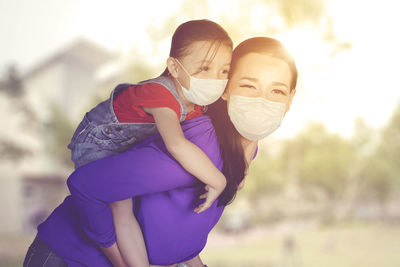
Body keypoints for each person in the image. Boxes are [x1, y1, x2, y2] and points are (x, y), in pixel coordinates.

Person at [23, 36, 297, 267]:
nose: (262, 100)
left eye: (277, 90)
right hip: (72, 257)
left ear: (290, 100)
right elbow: (86, 187)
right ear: (225, 89)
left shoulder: (246, 148)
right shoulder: (203, 142)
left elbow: (174, 222)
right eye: (249, 86)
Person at [67, 19, 232, 266]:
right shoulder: (161, 96)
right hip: (98, 141)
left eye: (224, 71)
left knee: (134, 206)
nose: (216, 79)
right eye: (204, 68)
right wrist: (217, 179)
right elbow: (177, 144)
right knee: (121, 208)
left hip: (128, 144)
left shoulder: (195, 101)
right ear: (174, 68)